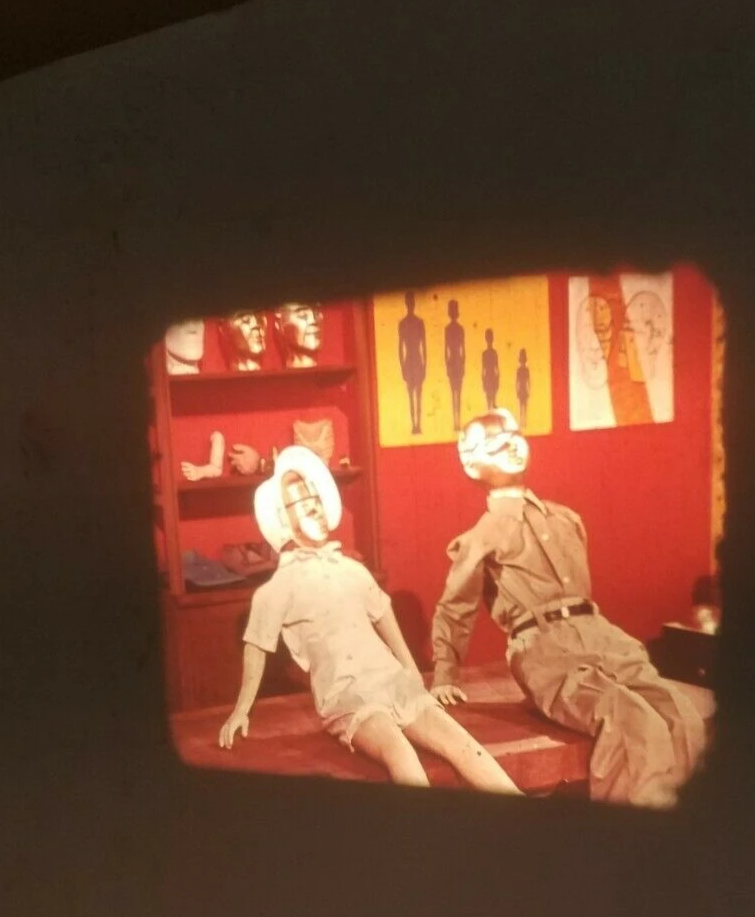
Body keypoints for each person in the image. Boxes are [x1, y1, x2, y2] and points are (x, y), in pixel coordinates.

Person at [429, 411, 704, 808]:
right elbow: (455, 607)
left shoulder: (566, 519)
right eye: (495, 443)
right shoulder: (481, 537)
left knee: (682, 715)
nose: (511, 444)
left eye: (514, 435)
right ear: (471, 464)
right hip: (546, 651)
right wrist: (445, 673)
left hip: (600, 634)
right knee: (632, 722)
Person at [220, 446, 522, 795]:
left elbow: (384, 618)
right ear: (282, 519)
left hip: (391, 681)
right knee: (400, 752)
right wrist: (241, 710)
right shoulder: (278, 588)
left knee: (464, 745)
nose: (314, 507)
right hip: (346, 694)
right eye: (302, 503)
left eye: (315, 498)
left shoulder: (353, 570)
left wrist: (413, 674)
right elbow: (256, 645)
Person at [397, 292, 427, 435]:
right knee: (411, 395)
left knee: (418, 394)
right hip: (409, 359)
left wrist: (425, 364)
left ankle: (418, 424)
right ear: (407, 303)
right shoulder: (402, 323)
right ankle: (413, 425)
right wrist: (402, 365)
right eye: (409, 302)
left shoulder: (419, 322)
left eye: (412, 302)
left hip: (416, 359)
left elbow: (424, 345)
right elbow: (400, 346)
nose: (410, 304)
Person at [444, 299, 466, 433]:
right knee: (454, 393)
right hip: (453, 361)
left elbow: (463, 349)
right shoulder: (448, 329)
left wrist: (462, 363)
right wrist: (447, 364)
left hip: (456, 361)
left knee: (457, 393)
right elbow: (446, 349)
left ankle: (458, 421)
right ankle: (455, 422)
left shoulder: (459, 329)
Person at [480, 328, 500, 411]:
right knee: (489, 400)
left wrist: (497, 379)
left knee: (493, 400)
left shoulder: (494, 353)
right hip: (488, 378)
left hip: (492, 377)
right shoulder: (484, 354)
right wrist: (483, 381)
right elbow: (483, 369)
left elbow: (496, 368)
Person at [515, 348, 531, 430]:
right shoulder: (520, 370)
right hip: (522, 389)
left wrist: (528, 389)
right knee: (522, 406)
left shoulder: (525, 370)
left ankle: (523, 421)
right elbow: (517, 381)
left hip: (523, 389)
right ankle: (522, 421)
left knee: (524, 406)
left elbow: (528, 381)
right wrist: (517, 389)